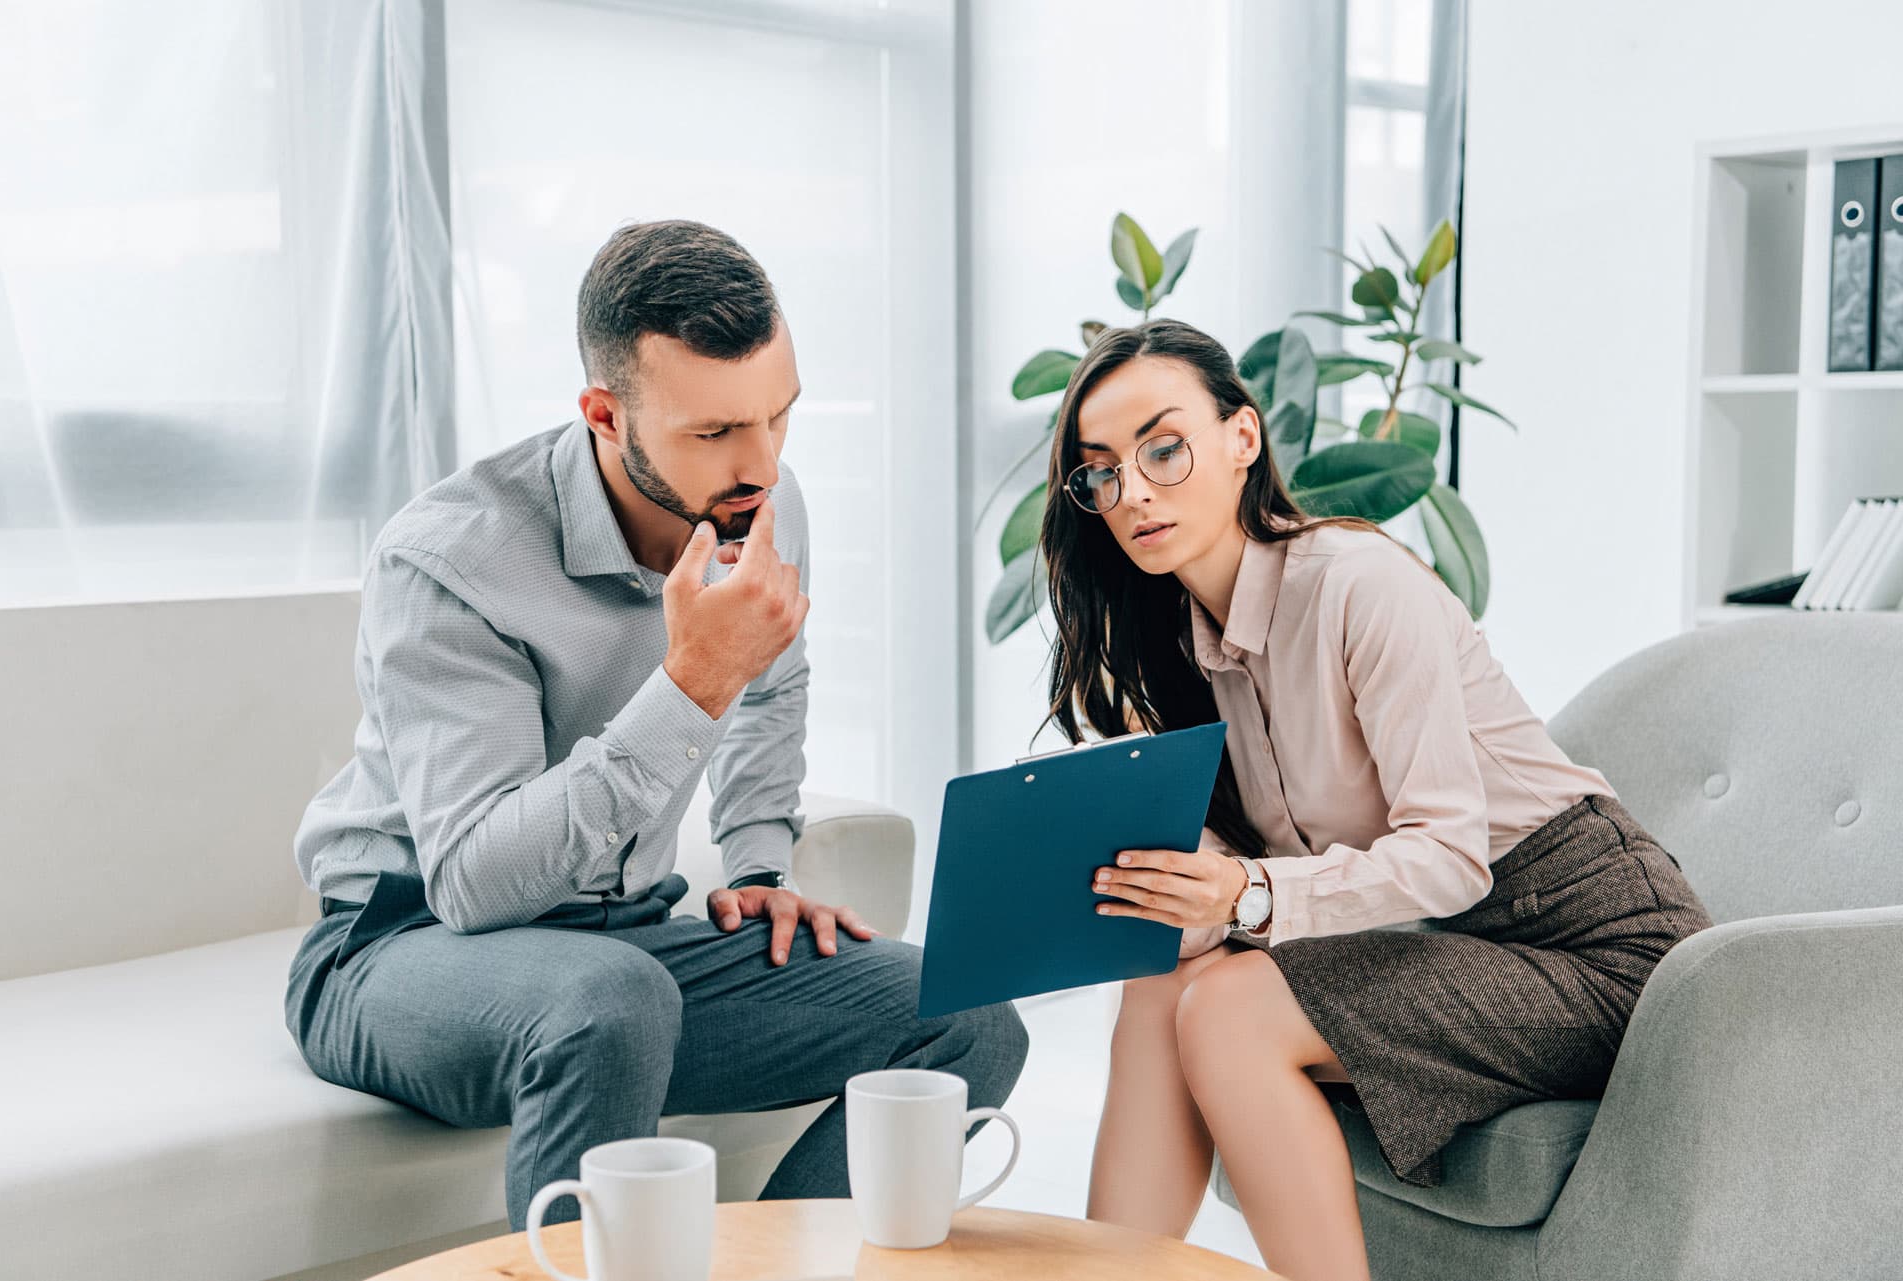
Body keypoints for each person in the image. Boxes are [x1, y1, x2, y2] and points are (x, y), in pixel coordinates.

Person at [284, 219, 1027, 1231]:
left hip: (623, 940)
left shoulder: (759, 496)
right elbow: (471, 882)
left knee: (967, 1017)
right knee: (609, 999)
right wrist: (690, 682)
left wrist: (760, 869)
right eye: (715, 433)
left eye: (778, 416)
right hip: (397, 946)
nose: (761, 464)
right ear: (604, 414)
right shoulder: (450, 562)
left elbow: (771, 687)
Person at [1038, 318, 1710, 1281]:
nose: (1134, 490)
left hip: (1603, 950)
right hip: (1447, 943)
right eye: (1103, 471)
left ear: (1242, 437)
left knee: (1229, 1011)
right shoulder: (1184, 649)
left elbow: (1446, 857)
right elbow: (1243, 881)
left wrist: (1242, 898)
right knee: (1159, 982)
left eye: (1165, 446)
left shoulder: (1358, 585)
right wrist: (1139, 901)